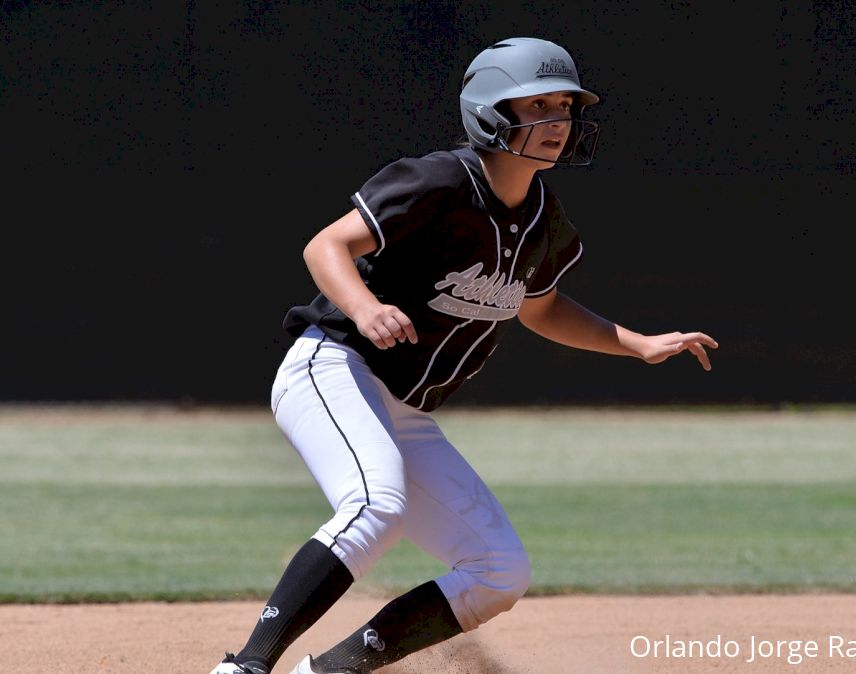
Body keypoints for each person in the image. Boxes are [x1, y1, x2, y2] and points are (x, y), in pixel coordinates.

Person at [210, 36, 717, 674]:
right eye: (538, 105)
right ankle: (245, 667)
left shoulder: (542, 217)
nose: (557, 122)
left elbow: (542, 308)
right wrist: (365, 308)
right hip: (334, 366)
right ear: (489, 111)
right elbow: (325, 246)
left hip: (406, 407)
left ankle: (330, 671)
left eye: (564, 106)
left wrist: (637, 343)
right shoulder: (440, 180)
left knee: (499, 570)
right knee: (375, 504)